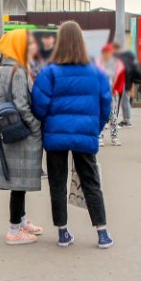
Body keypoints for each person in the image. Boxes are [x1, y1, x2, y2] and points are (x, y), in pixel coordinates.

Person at [31, 21, 113, 249]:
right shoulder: (96, 73)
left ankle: (63, 232)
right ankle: (102, 232)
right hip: (84, 135)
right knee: (91, 181)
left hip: (55, 136)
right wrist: (94, 129)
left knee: (57, 183)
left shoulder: (50, 72)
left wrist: (49, 122)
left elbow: (39, 105)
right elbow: (105, 105)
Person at [0, 29, 45, 245]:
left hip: (9, 132)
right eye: (28, 44)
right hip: (21, 133)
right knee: (18, 184)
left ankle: (21, 221)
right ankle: (14, 230)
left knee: (18, 182)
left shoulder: (3, 70)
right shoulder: (19, 71)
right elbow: (22, 105)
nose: (32, 47)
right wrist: (35, 127)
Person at [96, 43, 123, 146]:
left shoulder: (115, 64)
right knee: (101, 114)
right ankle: (99, 137)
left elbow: (120, 77)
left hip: (112, 93)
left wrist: (117, 89)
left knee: (113, 115)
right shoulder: (99, 64)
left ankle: (114, 137)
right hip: (101, 93)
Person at [117, 46, 136, 127]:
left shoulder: (125, 65)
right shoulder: (130, 64)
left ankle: (126, 120)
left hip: (124, 84)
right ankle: (126, 119)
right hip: (127, 84)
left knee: (124, 101)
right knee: (125, 101)